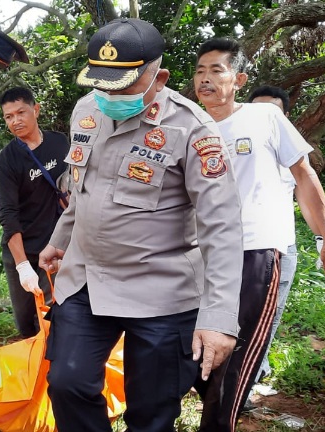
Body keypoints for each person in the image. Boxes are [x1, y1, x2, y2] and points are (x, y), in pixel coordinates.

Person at [36, 18, 244, 432]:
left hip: (161, 293)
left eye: (123, 84)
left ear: (159, 76)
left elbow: (222, 227)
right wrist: (60, 239)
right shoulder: (87, 110)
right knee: (67, 384)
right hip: (86, 280)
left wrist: (219, 317)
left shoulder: (192, 129)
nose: (109, 94)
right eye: (102, 82)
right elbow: (82, 190)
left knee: (152, 412)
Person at [193, 39, 325, 432]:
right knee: (193, 347)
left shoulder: (265, 118)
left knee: (239, 353)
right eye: (199, 71)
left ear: (239, 79)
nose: (205, 79)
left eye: (216, 70)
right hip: (200, 255)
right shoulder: (187, 124)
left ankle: (216, 425)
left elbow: (304, 178)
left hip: (258, 250)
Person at [246, 85, 325, 383]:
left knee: (267, 320)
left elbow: (307, 197)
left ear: (286, 116)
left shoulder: (290, 155)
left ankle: (252, 378)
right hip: (236, 248)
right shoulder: (236, 148)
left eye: (273, 111)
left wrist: (324, 240)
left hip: (279, 250)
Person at [0, 86, 70, 338]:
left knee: (52, 318)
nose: (15, 121)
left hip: (56, 246)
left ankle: (54, 373)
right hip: (22, 249)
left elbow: (75, 184)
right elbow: (8, 216)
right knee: (26, 323)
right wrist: (23, 266)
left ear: (35, 110)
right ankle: (31, 368)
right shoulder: (7, 160)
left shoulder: (60, 143)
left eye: (20, 112)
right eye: (8, 116)